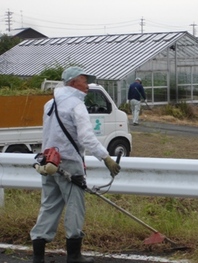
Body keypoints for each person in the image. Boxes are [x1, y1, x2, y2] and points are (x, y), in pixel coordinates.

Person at [30, 66, 121, 263]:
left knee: (48, 206)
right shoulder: (76, 106)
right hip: (69, 163)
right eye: (84, 80)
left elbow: (47, 134)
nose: (87, 85)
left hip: (49, 161)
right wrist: (105, 157)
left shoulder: (50, 104)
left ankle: (38, 256)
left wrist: (48, 157)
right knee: (74, 207)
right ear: (73, 82)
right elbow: (86, 137)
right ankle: (74, 256)